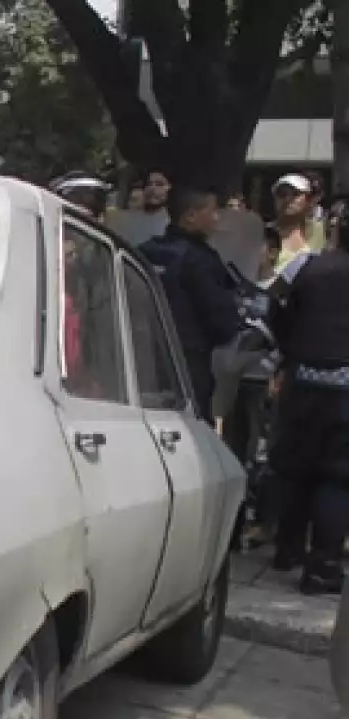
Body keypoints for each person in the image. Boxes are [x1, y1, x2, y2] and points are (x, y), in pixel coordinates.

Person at [263, 197, 349, 593]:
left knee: (295, 465)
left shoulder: (306, 264)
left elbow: (272, 304)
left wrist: (291, 346)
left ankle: (288, 548)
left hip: (302, 377)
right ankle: (323, 567)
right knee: (337, 477)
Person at [138, 186, 245, 423]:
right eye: (213, 211)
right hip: (188, 364)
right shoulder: (201, 260)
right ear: (191, 216)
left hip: (143, 359)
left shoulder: (145, 251)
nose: (217, 218)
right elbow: (221, 320)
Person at [271, 173, 327, 274]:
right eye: (282, 194)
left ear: (308, 200)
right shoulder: (264, 233)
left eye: (296, 194)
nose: (287, 199)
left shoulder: (322, 229)